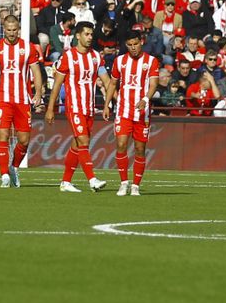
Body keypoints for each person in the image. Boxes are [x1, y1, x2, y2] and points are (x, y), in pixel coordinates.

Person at [0, 14, 41, 188]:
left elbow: (36, 71)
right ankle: (4, 175)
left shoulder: (28, 48)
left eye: (14, 30)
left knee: (24, 140)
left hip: (22, 99)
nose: (11, 33)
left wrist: (38, 93)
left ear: (18, 29)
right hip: (2, 98)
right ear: (4, 29)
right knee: (3, 135)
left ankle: (13, 167)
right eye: (8, 30)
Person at [44, 22, 109, 193]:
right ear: (78, 36)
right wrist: (50, 108)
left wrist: (113, 101)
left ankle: (65, 182)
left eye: (91, 34)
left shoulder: (96, 56)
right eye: (86, 34)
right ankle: (92, 179)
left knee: (76, 144)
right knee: (84, 141)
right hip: (74, 106)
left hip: (89, 107)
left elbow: (107, 81)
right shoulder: (68, 57)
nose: (90, 37)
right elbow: (57, 84)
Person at [109, 33, 160, 196]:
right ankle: (123, 183)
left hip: (142, 113)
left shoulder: (151, 61)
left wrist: (145, 98)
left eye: (136, 44)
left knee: (139, 148)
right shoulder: (120, 61)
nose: (133, 47)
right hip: (123, 110)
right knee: (121, 144)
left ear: (141, 42)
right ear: (126, 44)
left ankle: (136, 185)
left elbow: (153, 84)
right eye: (130, 44)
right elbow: (113, 83)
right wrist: (106, 104)